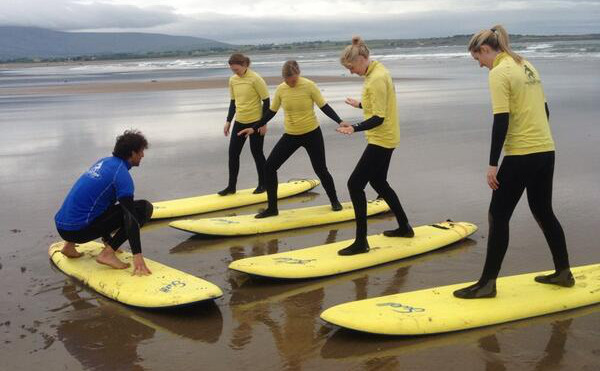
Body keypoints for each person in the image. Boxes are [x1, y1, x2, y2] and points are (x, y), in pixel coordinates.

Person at [453, 25, 574, 299]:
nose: (480, 65)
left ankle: (487, 284)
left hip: (522, 153)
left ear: (485, 50)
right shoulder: (526, 65)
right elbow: (544, 108)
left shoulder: (499, 72)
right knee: (543, 211)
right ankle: (564, 272)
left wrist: (493, 163)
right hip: (545, 150)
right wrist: (540, 138)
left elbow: (501, 120)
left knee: (498, 215)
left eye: (478, 59)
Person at [336, 36, 414, 256]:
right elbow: (380, 104)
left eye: (351, 67)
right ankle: (405, 227)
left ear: (362, 58)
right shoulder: (374, 73)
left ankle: (361, 242)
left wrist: (354, 127)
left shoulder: (377, 77)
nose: (351, 72)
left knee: (354, 184)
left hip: (382, 137)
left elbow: (379, 117)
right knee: (379, 182)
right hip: (383, 136)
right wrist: (360, 104)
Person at [238, 60, 344, 218]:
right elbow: (271, 112)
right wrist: (254, 127)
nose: (290, 83)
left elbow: (324, 106)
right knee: (270, 167)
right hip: (291, 135)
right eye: (287, 81)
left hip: (311, 134)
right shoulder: (281, 89)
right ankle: (272, 208)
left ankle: (335, 201)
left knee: (321, 169)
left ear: (298, 74)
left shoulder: (309, 86)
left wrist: (340, 121)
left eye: (293, 80)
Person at [54, 129, 154, 276]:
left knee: (95, 201)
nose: (143, 155)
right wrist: (137, 256)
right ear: (132, 153)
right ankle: (107, 254)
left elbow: (102, 203)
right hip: (78, 232)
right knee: (143, 208)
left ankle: (69, 247)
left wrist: (107, 239)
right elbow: (131, 217)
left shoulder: (103, 162)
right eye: (140, 152)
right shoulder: (121, 175)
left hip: (62, 228)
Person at [219, 53, 270, 196]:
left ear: (245, 65)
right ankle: (231, 187)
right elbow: (233, 102)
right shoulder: (233, 80)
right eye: (232, 70)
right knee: (233, 154)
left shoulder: (256, 79)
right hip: (239, 122)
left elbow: (266, 101)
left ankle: (263, 184)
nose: (235, 72)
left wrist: (263, 123)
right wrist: (228, 121)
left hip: (256, 122)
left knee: (257, 153)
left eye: (237, 70)